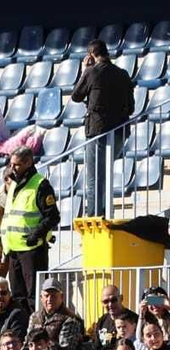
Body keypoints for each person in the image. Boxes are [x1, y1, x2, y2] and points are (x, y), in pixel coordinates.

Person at [71, 39, 136, 217]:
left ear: (91, 55)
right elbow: (131, 108)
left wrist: (85, 70)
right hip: (120, 131)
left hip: (98, 131)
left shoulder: (91, 72)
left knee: (94, 178)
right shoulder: (123, 74)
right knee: (105, 174)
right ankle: (105, 213)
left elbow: (76, 96)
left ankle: (94, 217)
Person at [0, 147, 61, 303]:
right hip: (13, 250)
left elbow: (53, 216)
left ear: (28, 162)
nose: (12, 168)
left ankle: (35, 327)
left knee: (34, 296)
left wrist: (35, 234)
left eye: (16, 165)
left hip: (32, 250)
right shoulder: (13, 184)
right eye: (11, 164)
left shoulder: (40, 184)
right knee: (18, 298)